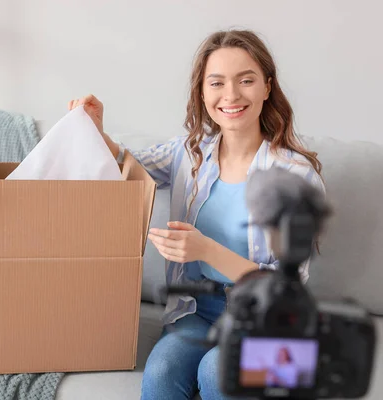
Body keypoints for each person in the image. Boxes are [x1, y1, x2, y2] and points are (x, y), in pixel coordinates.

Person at [68, 28, 325, 400]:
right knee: (161, 375)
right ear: (202, 93)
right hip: (197, 309)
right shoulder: (189, 152)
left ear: (267, 87)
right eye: (217, 83)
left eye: (246, 80)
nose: (231, 95)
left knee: (215, 372)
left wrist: (205, 250)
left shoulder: (296, 175)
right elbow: (127, 166)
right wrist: (95, 131)